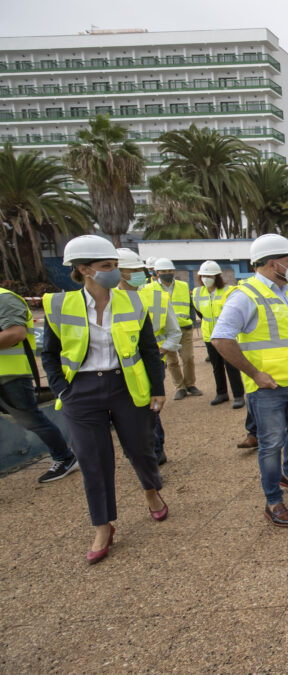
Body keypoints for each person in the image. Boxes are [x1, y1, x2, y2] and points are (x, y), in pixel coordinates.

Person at [40, 235, 168, 564]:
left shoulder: (133, 302)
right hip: (80, 392)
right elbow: (50, 354)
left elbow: (149, 351)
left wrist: (158, 388)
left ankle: (151, 491)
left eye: (114, 265)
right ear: (84, 270)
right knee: (93, 461)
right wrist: (60, 389)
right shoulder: (58, 305)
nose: (116, 272)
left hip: (126, 387)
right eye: (107, 266)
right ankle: (103, 525)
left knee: (141, 448)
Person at [211, 234, 288, 527]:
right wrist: (254, 374)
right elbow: (220, 339)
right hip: (267, 387)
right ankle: (273, 501)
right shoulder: (246, 295)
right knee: (271, 443)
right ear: (273, 264)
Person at [0, 286, 79, 484]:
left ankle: (64, 457)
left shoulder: (5, 299)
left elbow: (16, 333)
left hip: (10, 374)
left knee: (31, 420)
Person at [117, 248, 179, 466]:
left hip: (150, 364)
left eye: (138, 269)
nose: (136, 274)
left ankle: (156, 448)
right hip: (119, 369)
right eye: (130, 270)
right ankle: (137, 449)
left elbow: (174, 333)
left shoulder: (156, 297)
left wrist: (157, 353)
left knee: (151, 410)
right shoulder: (106, 301)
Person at [193, 260, 245, 409]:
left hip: (227, 336)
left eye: (209, 276)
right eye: (203, 276)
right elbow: (200, 313)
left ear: (217, 277)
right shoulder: (197, 293)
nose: (205, 279)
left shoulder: (228, 291)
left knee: (231, 365)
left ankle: (238, 395)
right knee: (216, 366)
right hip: (209, 335)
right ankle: (221, 393)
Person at [148, 258, 201, 400]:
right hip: (164, 331)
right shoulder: (150, 288)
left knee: (188, 358)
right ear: (157, 273)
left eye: (170, 271)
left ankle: (190, 384)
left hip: (184, 327)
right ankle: (180, 387)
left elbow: (190, 304)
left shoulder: (183, 286)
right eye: (164, 271)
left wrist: (191, 320)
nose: (168, 273)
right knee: (171, 361)